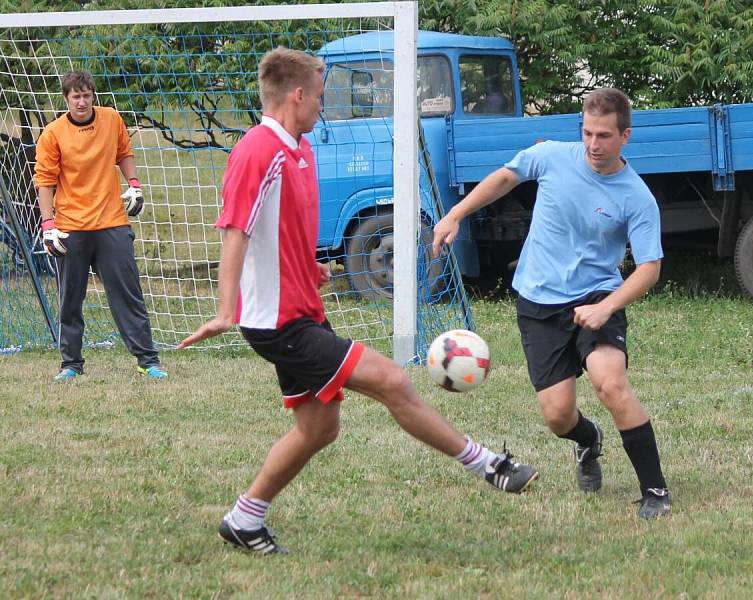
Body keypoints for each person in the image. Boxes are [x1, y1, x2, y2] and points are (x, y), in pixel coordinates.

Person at [178, 47, 538, 555]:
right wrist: (223, 310)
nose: (322, 109)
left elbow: (278, 228)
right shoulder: (258, 150)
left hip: (302, 309)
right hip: (278, 322)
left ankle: (244, 518)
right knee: (393, 381)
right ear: (297, 95)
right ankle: (489, 466)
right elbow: (235, 230)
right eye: (320, 98)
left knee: (320, 427)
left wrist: (310, 265)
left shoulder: (298, 148)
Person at [433, 88, 670, 519]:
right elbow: (506, 176)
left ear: (625, 136)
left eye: (604, 136)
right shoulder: (553, 156)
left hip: (597, 296)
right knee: (558, 416)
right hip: (538, 300)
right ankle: (587, 440)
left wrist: (605, 307)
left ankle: (655, 491)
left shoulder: (636, 197)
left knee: (609, 383)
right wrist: (456, 214)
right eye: (587, 133)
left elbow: (649, 268)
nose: (593, 145)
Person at [33, 70, 167, 381]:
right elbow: (45, 182)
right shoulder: (53, 134)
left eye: (86, 95)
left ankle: (147, 360)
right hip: (71, 226)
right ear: (66, 99)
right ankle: (70, 364)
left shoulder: (111, 119)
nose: (81, 101)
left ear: (93, 95)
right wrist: (48, 225)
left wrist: (134, 184)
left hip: (111, 222)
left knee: (128, 292)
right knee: (70, 298)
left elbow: (124, 153)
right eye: (75, 96)